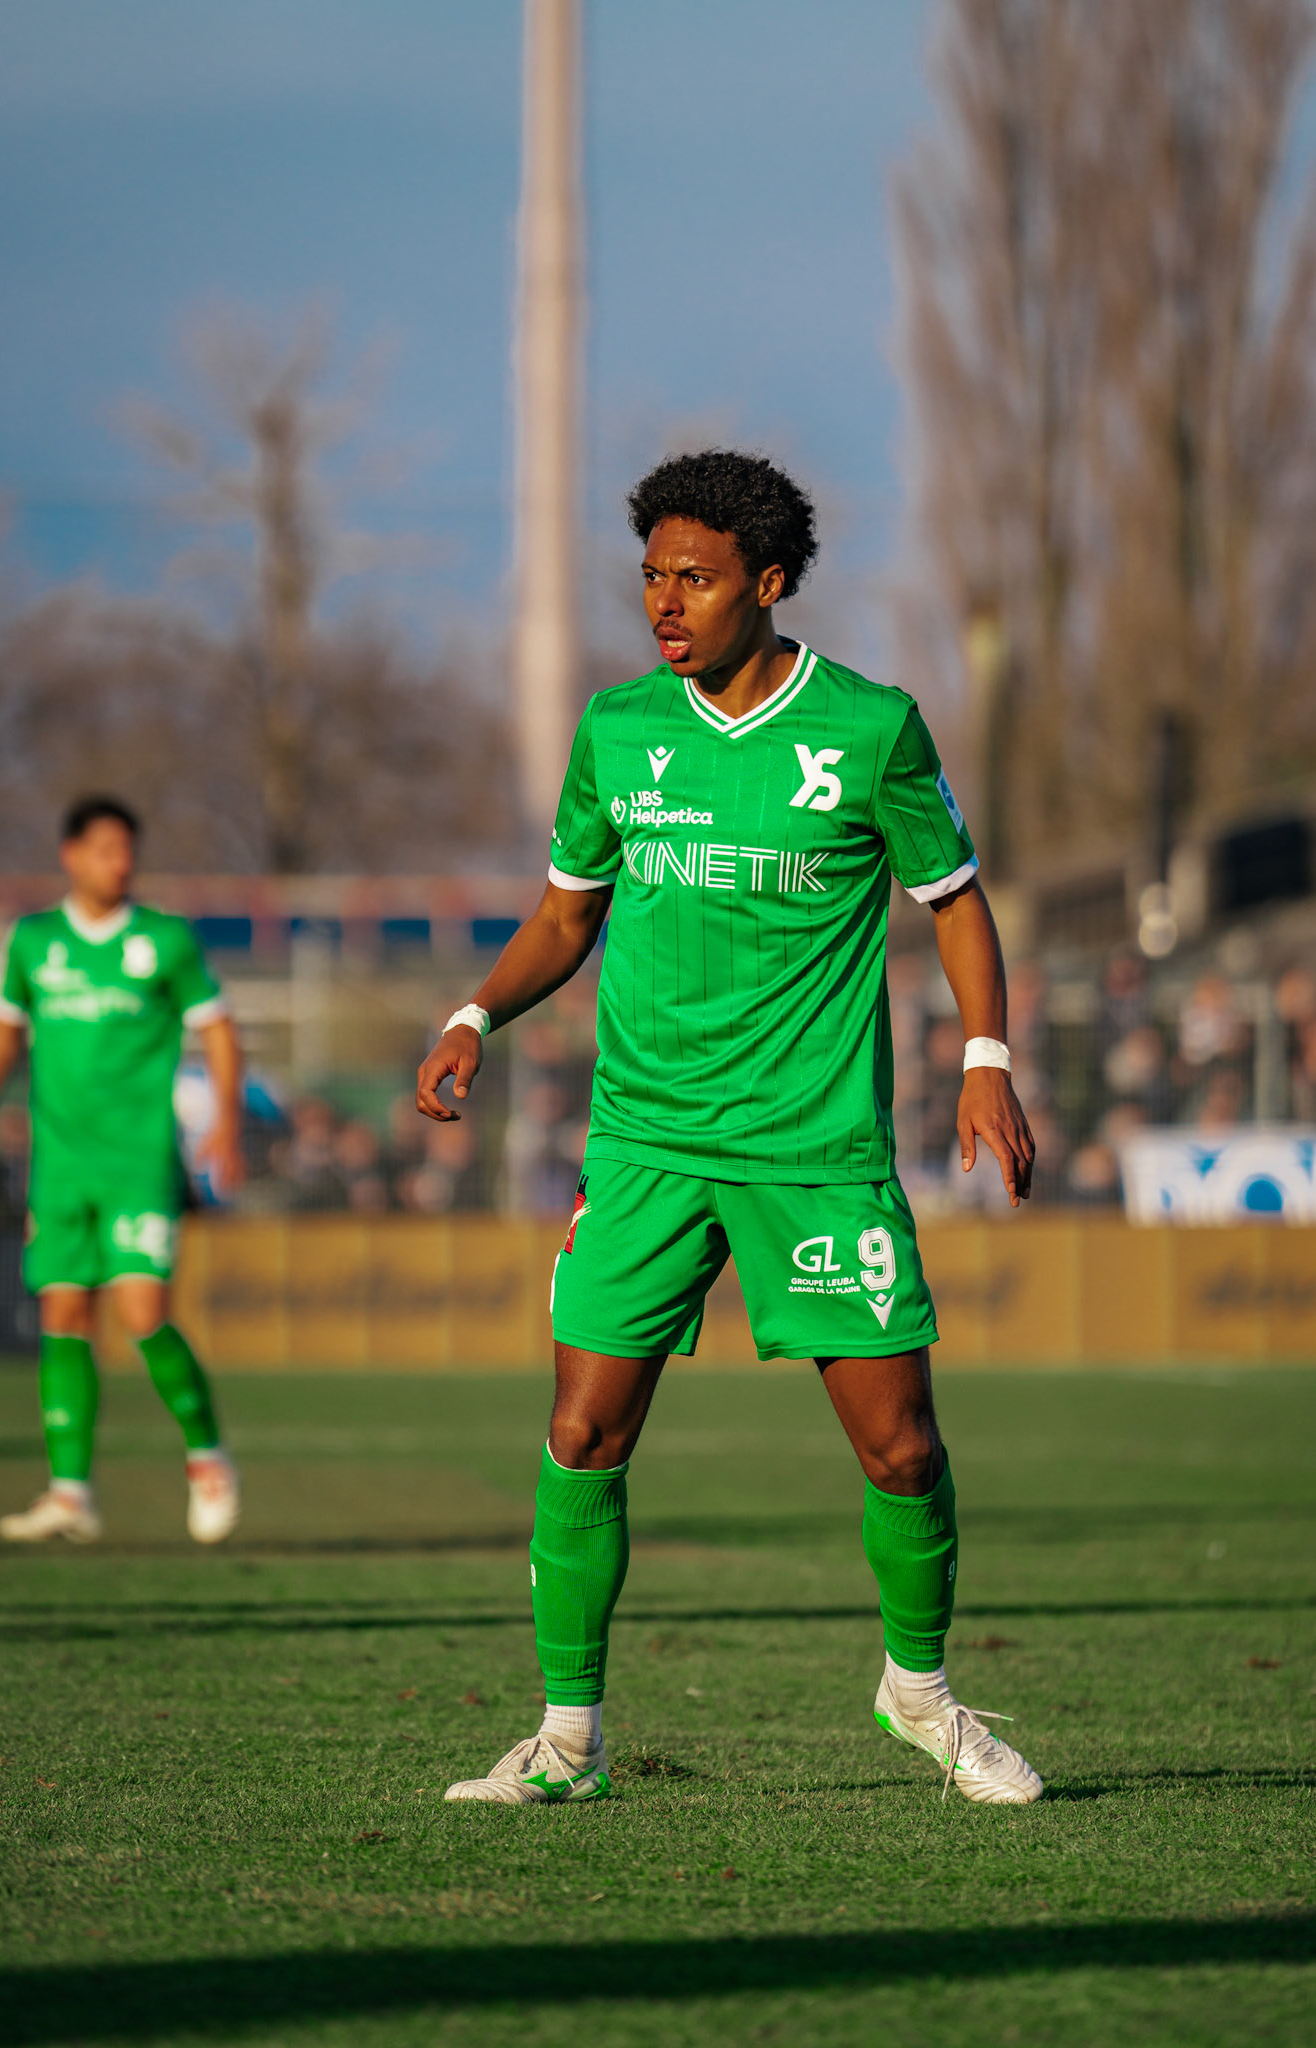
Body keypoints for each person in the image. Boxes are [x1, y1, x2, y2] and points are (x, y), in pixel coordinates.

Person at [417, 449, 1041, 1808]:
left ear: (765, 585)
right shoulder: (618, 731)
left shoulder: (871, 728)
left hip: (816, 1153)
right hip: (644, 1146)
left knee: (901, 1448)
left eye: (692, 579)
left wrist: (985, 1058)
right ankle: (568, 1740)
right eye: (650, 576)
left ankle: (919, 1695)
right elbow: (567, 915)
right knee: (582, 1432)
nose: (664, 601)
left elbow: (954, 898)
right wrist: (475, 1013)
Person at [0, 795, 244, 1544]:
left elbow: (216, 1029)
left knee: (143, 1314)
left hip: (139, 1163)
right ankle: (70, 1493)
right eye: (106, 849)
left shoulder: (164, 940)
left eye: (128, 850)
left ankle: (207, 1457)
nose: (121, 863)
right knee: (62, 1315)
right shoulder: (35, 941)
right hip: (59, 1167)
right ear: (71, 855)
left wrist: (227, 1123)